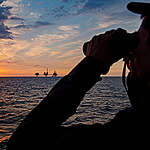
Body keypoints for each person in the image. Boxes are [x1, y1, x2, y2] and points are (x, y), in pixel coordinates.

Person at [7, 2, 150, 149]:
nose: (132, 51)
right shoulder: (136, 125)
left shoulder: (129, 133)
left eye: (138, 38)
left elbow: (21, 144)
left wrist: (91, 65)